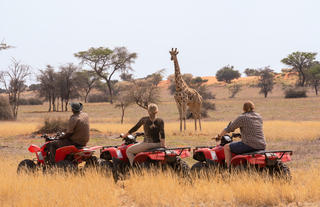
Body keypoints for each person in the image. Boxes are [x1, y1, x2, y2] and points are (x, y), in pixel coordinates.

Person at [215, 101, 266, 168]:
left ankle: (228, 169)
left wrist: (219, 136)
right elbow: (253, 130)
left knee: (226, 147)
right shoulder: (258, 116)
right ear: (253, 107)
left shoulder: (242, 117)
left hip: (249, 145)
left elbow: (229, 128)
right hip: (262, 144)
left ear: (243, 109)